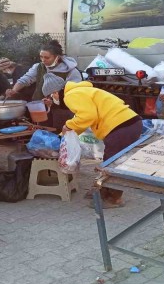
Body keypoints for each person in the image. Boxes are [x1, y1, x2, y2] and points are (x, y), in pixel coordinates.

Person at [41, 73, 142, 208]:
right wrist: (64, 135)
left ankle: (112, 198)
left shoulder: (71, 95)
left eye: (50, 96)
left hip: (122, 126)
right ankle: (102, 189)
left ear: (55, 92)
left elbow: (88, 116)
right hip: (127, 124)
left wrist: (68, 126)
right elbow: (83, 118)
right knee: (109, 161)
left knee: (111, 163)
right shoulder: (79, 91)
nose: (51, 100)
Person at [5, 40, 82, 131]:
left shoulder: (71, 71)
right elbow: (26, 79)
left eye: (47, 57)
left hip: (63, 109)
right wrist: (14, 90)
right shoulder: (39, 67)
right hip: (41, 107)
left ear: (57, 57)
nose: (43, 60)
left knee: (61, 133)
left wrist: (55, 100)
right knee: (43, 132)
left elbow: (75, 92)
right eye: (41, 57)